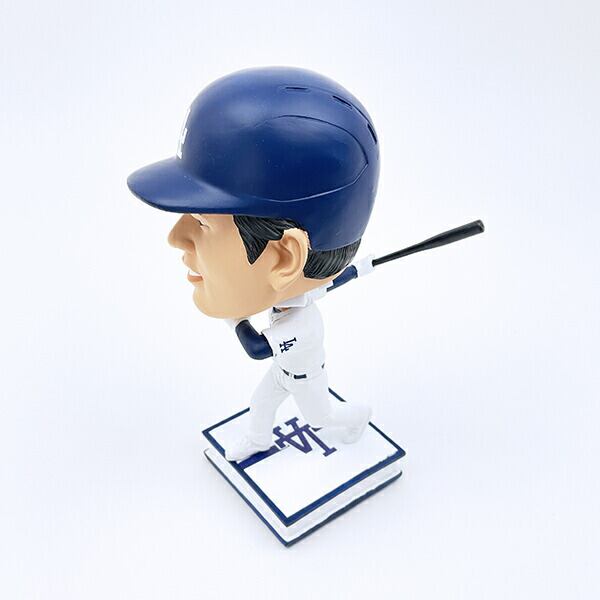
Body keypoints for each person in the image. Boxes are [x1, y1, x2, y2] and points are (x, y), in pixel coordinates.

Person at [127, 66, 381, 462]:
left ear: (283, 258)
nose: (175, 237)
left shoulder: (303, 325)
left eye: (201, 222)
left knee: (322, 418)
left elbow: (258, 347)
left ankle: (357, 416)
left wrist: (234, 319)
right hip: (284, 371)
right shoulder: (296, 299)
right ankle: (259, 439)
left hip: (305, 379)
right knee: (261, 405)